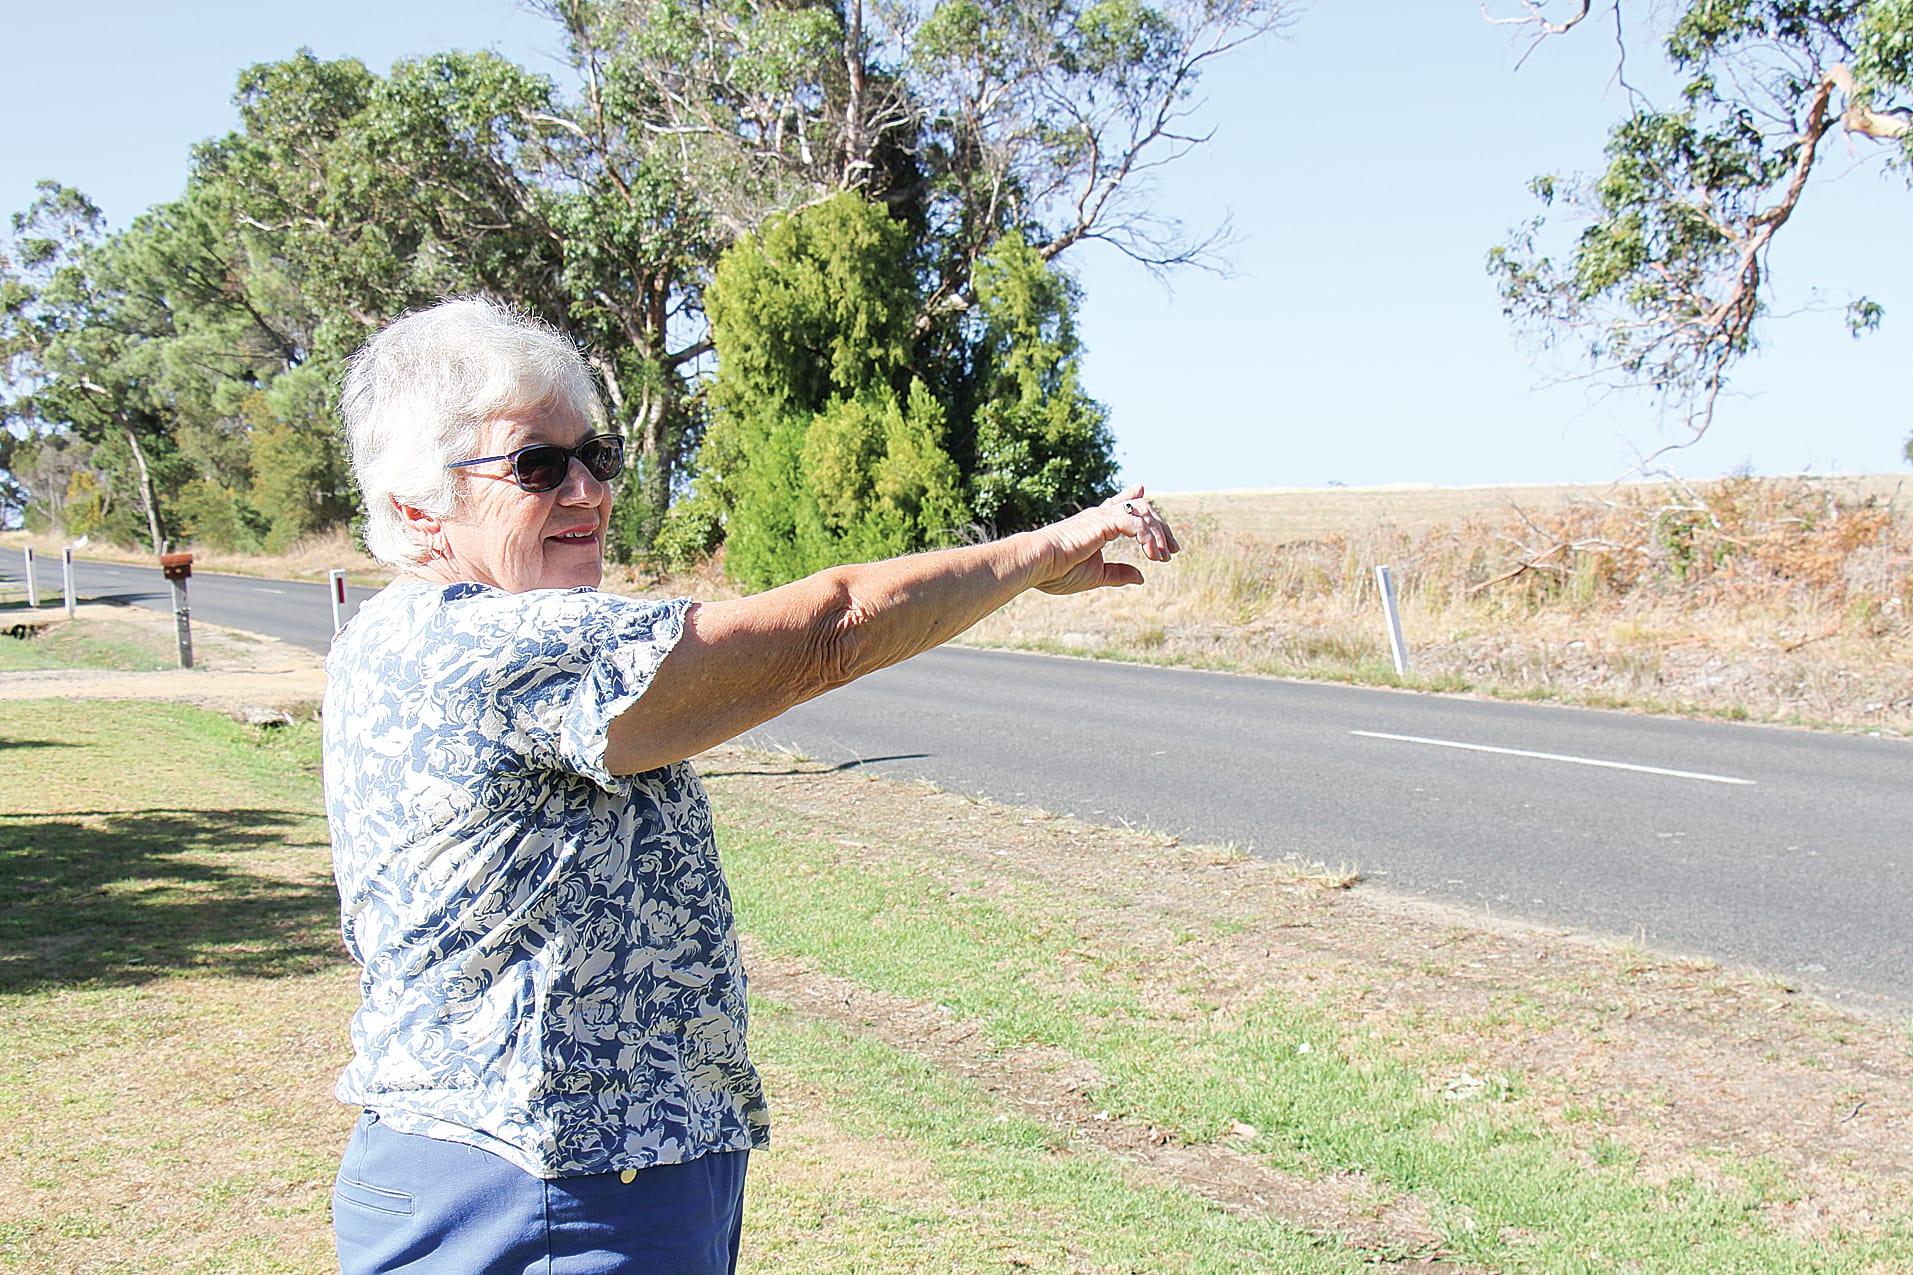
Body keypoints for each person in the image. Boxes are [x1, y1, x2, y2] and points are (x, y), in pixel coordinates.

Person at [322, 295, 1180, 1274]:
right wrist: (1041, 552)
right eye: (536, 464)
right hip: (550, 1192)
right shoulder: (490, 648)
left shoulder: (400, 634)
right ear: (415, 507)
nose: (587, 492)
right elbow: (829, 630)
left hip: (550, 1175)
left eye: (594, 456)